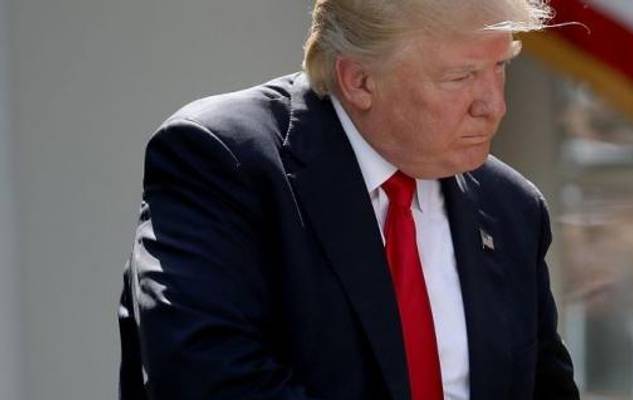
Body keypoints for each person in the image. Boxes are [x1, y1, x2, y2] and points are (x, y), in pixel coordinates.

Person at [116, 1, 578, 399]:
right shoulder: (222, 160)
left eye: (500, 67)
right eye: (461, 76)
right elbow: (205, 381)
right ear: (358, 81)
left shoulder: (512, 207)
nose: (493, 105)